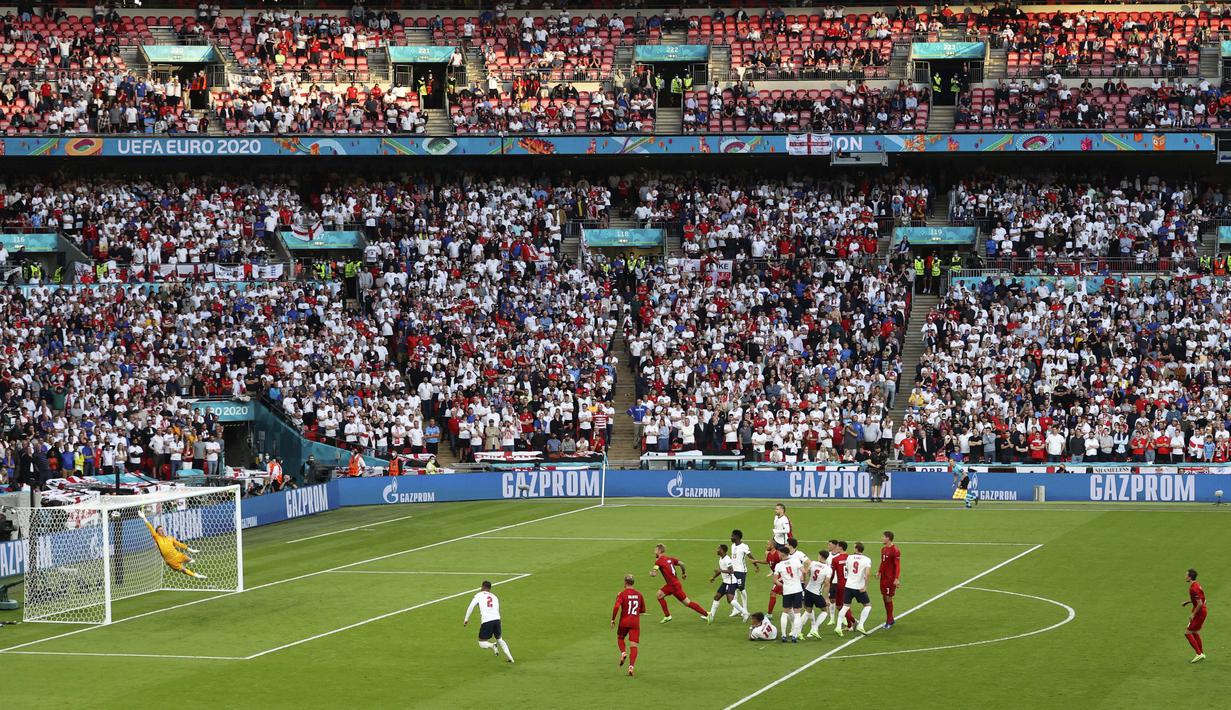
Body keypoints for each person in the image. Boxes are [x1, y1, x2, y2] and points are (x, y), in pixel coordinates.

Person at [137, 508, 207, 579]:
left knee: (188, 558)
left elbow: (179, 544)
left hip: (178, 555)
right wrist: (144, 518)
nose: (161, 531)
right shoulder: (157, 538)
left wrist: (190, 549)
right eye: (159, 530)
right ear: (157, 532)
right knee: (183, 569)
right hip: (170, 560)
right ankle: (196, 575)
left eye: (162, 529)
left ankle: (189, 563)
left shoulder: (170, 538)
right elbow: (151, 528)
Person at [649, 544, 708, 622]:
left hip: (673, 586)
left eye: (655, 550)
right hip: (674, 584)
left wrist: (651, 574)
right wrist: (683, 573)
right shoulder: (670, 558)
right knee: (660, 595)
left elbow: (654, 573)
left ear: (659, 551)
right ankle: (667, 616)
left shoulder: (658, 561)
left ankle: (707, 614)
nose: (654, 552)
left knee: (687, 603)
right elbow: (682, 564)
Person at [464, 580, 514, 663]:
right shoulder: (494, 597)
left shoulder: (479, 595)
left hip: (487, 621)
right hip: (497, 620)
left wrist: (466, 619)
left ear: (483, 587)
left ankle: (492, 645)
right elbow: (497, 609)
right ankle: (510, 658)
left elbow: (471, 606)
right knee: (500, 639)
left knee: (481, 643)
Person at [837, 542, 874, 636]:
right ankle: (860, 624)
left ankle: (838, 627)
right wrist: (865, 586)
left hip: (848, 585)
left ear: (856, 549)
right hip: (859, 587)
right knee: (868, 605)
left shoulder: (849, 557)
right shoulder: (866, 559)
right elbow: (867, 573)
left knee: (845, 606)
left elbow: (847, 570)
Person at [611, 574, 645, 676]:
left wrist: (613, 619)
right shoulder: (639, 595)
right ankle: (631, 667)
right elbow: (642, 611)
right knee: (634, 645)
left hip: (624, 622)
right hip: (635, 623)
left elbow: (616, 607)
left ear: (625, 583)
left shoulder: (622, 594)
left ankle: (623, 653)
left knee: (620, 638)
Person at [708, 544, 748, 622]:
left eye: (718, 549)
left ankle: (745, 612)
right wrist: (714, 577)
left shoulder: (727, 559)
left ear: (722, 550)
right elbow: (720, 570)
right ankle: (711, 617)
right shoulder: (721, 558)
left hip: (730, 582)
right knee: (716, 597)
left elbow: (731, 571)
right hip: (725, 582)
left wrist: (721, 571)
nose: (717, 550)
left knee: (730, 600)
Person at [773, 544, 805, 643]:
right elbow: (803, 571)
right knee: (797, 612)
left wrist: (783, 585)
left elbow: (775, 581)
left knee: (785, 612)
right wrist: (800, 577)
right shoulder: (795, 561)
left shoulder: (779, 565)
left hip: (787, 590)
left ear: (782, 554)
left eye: (779, 553)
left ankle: (783, 635)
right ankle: (795, 635)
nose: (778, 554)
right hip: (797, 589)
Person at [728, 529, 758, 615]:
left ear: (737, 537)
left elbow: (750, 556)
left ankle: (745, 609)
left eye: (732, 536)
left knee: (741, 589)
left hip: (741, 571)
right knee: (733, 589)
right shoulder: (732, 546)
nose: (731, 537)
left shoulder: (744, 546)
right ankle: (736, 609)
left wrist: (756, 565)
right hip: (733, 571)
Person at [804, 549, 832, 638]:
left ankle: (797, 631)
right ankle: (815, 628)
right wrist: (826, 598)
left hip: (808, 590)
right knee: (825, 610)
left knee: (808, 610)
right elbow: (827, 583)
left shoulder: (812, 563)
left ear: (820, 556)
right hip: (816, 593)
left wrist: (805, 583)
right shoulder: (828, 569)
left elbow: (806, 572)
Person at [877, 531, 901, 629]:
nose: (882, 538)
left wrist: (896, 578)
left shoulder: (895, 550)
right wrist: (879, 572)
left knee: (888, 598)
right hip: (883, 578)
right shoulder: (883, 549)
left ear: (888, 538)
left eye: (883, 537)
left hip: (890, 579)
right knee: (884, 597)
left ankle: (889, 620)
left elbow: (897, 566)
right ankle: (890, 618)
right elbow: (883, 562)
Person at [1183, 568, 1207, 663]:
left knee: (1187, 633)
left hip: (1199, 612)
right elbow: (1202, 599)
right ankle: (1201, 653)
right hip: (1203, 611)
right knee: (1194, 631)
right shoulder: (1197, 584)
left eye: (1186, 575)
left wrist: (1193, 614)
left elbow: (1200, 603)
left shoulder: (1193, 588)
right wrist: (1189, 602)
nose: (1185, 577)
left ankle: (1199, 654)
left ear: (1190, 577)